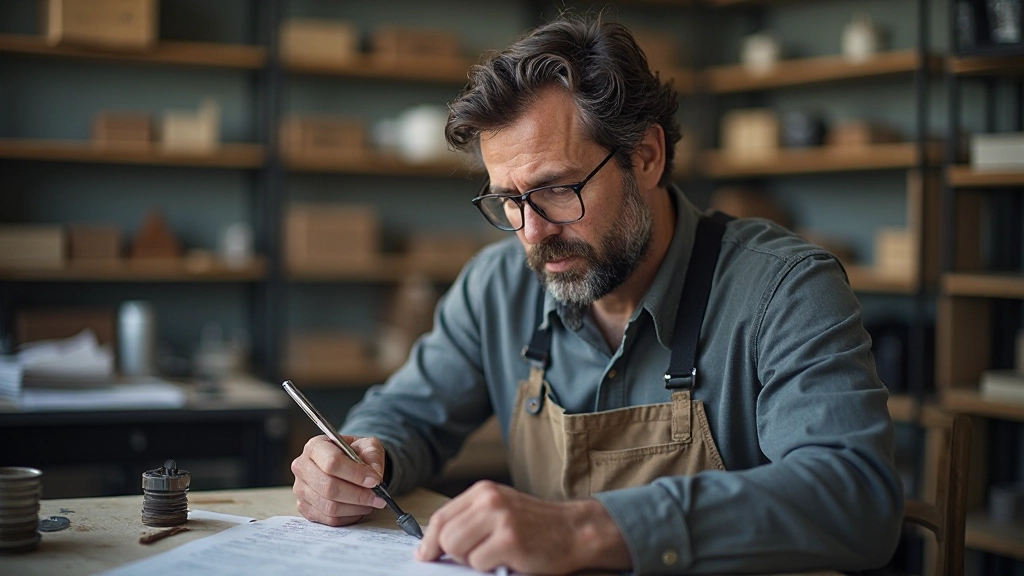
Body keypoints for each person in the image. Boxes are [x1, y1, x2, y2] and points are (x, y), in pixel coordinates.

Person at [290, 13, 903, 575]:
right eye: (509, 200)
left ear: (647, 156)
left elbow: (856, 497)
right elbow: (406, 415)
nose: (532, 233)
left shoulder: (785, 289)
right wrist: (360, 458)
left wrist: (588, 528)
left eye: (557, 189)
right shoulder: (496, 286)